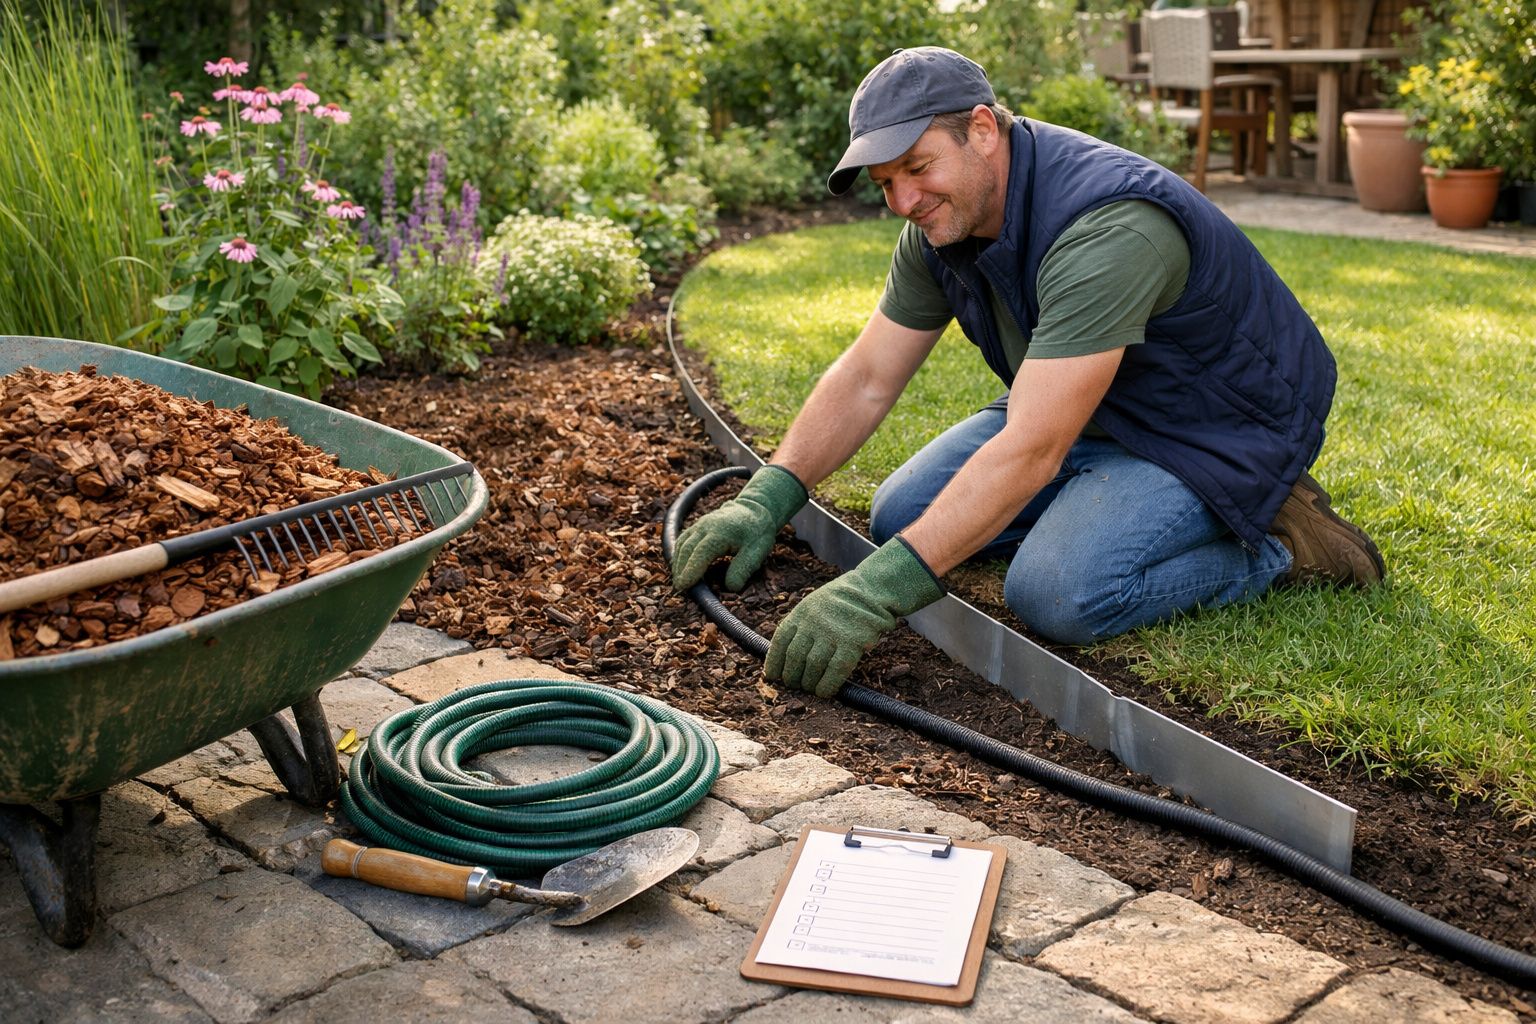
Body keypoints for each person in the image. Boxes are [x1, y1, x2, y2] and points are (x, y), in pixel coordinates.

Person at [671, 46, 1384, 698]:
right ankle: (1114, 500)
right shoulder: (940, 226)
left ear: (983, 129)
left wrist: (871, 595)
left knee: (1059, 594)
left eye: (918, 169)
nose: (905, 202)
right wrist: (766, 497)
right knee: (901, 517)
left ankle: (1286, 545)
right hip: (1095, 404)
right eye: (886, 184)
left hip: (1211, 425)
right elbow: (867, 375)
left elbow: (1033, 446)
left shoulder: (1106, 226)